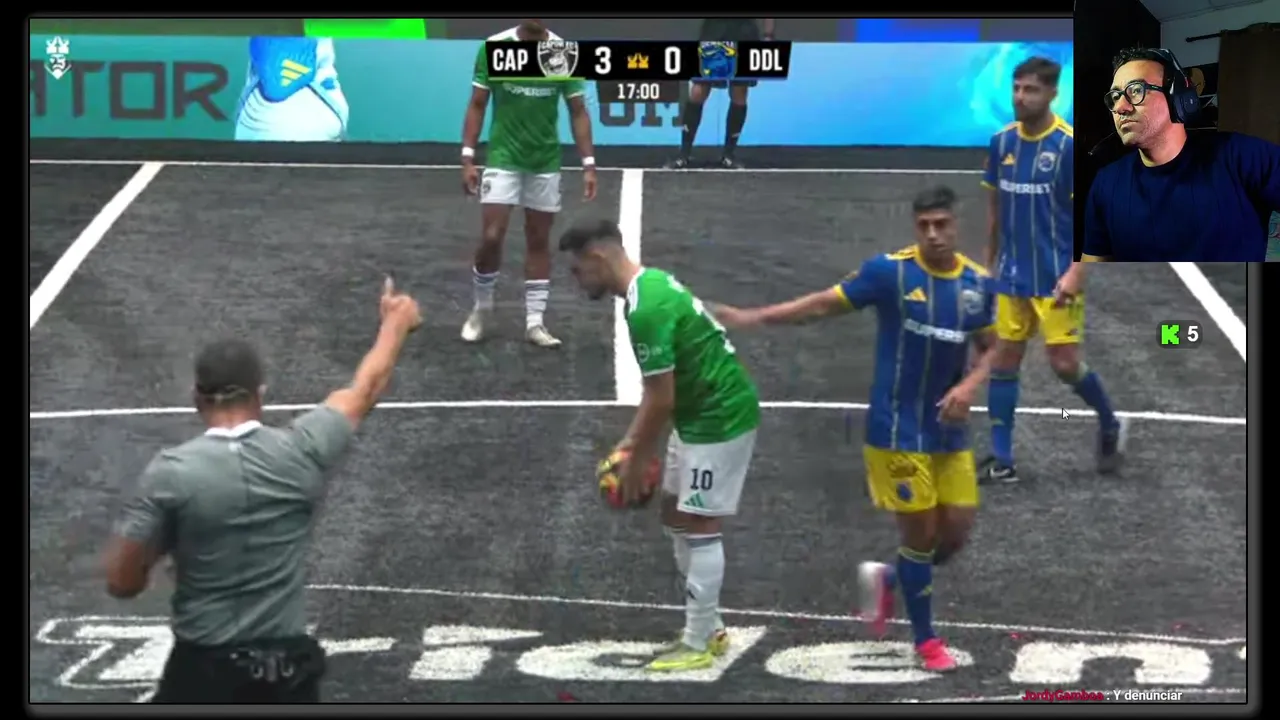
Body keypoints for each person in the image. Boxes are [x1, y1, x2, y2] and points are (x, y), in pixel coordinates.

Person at [710, 187, 996, 672]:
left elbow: (994, 347)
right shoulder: (890, 273)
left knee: (953, 536)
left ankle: (888, 579)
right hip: (895, 428)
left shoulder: (977, 284)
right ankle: (926, 642)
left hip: (947, 431)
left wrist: (969, 386)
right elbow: (824, 304)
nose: (933, 234)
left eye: (941, 224)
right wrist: (753, 317)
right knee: (920, 536)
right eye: (924, 225)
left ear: (956, 225)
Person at [102, 278, 422, 703]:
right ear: (260, 394)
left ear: (196, 397)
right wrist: (395, 322)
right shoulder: (303, 450)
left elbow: (122, 582)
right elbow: (365, 388)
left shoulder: (169, 475)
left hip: (202, 673)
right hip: (286, 674)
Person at [559, 218, 760, 673]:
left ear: (596, 258)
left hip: (719, 418)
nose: (576, 280)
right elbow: (662, 397)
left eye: (576, 270)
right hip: (696, 415)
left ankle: (697, 641)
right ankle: (710, 626)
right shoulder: (649, 285)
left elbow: (660, 397)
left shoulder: (645, 309)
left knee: (700, 523)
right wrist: (631, 444)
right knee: (674, 515)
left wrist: (636, 457)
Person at [979, 56, 1126, 486]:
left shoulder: (1068, 148)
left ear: (1053, 94)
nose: (1020, 97)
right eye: (1016, 88)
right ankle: (1003, 458)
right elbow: (994, 214)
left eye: (1031, 90)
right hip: (1012, 274)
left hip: (1056, 277)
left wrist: (1077, 273)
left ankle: (1110, 421)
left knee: (1064, 364)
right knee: (1004, 359)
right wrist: (987, 268)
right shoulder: (1001, 143)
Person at [461, 19, 598, 347]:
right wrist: (467, 156)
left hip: (544, 161)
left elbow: (577, 111)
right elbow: (478, 103)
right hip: (503, 158)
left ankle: (535, 323)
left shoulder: (562, 52)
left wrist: (588, 164)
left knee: (538, 240)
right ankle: (482, 308)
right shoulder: (495, 48)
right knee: (491, 236)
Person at [1083, 47, 1280, 261]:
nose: (1120, 107)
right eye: (1115, 96)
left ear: (1178, 98)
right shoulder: (1106, 183)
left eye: (1136, 90)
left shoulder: (1245, 156)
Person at [664, 18, 775, 170]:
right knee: (699, 90)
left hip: (744, 33)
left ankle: (728, 156)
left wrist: (768, 34)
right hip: (715, 31)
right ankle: (683, 155)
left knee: (739, 92)